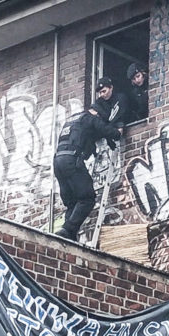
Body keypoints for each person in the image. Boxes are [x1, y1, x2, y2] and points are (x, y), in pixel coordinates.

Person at [53, 100, 122, 241]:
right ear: (97, 113)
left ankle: (68, 237)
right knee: (87, 198)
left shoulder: (72, 120)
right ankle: (69, 229)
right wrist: (117, 132)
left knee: (72, 203)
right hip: (71, 161)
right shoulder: (89, 118)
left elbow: (84, 137)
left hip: (58, 162)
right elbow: (105, 129)